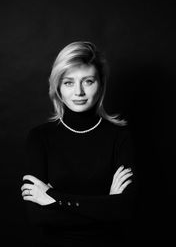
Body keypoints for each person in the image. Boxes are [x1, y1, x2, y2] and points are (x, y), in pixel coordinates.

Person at [21, 41, 136, 247]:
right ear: (57, 87)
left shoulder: (120, 136)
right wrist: (106, 206)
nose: (79, 92)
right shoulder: (39, 138)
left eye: (88, 81)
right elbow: (37, 216)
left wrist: (52, 197)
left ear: (100, 84)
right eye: (69, 82)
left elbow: (125, 209)